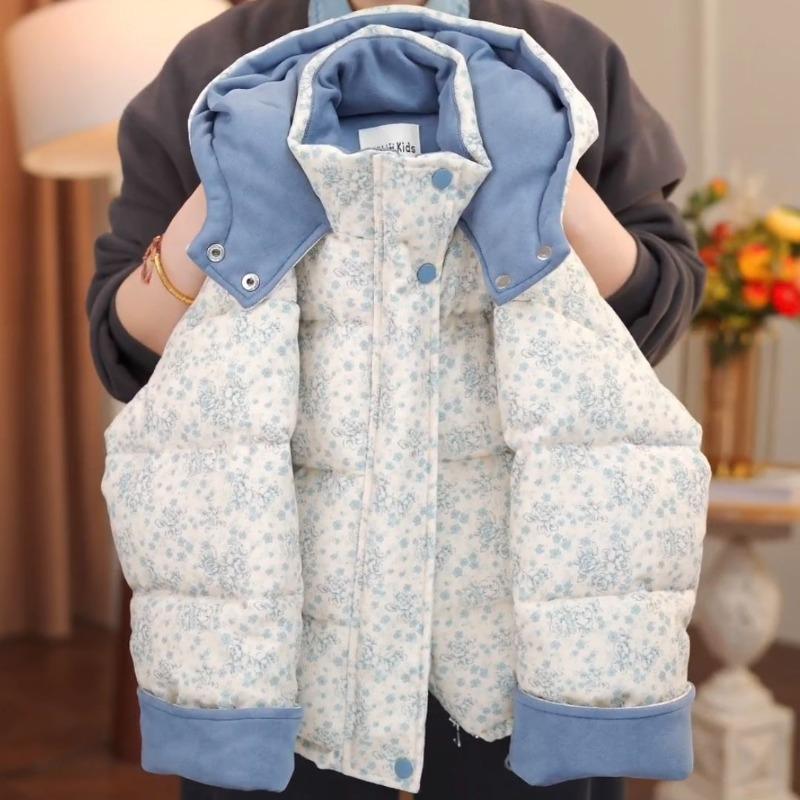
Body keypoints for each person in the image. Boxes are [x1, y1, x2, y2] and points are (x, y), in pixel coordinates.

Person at [87, 1, 707, 798]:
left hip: (521, 647)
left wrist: (539, 168)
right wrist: (232, 189)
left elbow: (657, 307)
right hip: (278, 650)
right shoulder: (214, 67)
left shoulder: (567, 57)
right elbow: (125, 347)